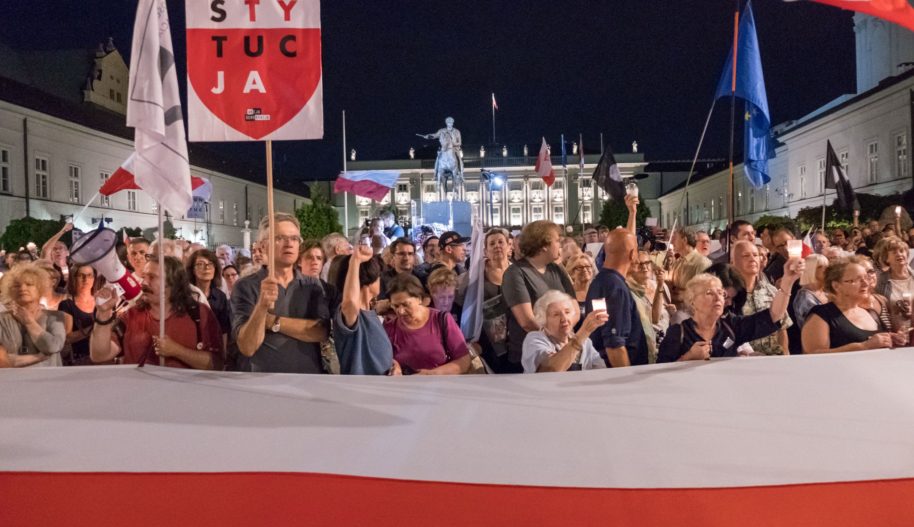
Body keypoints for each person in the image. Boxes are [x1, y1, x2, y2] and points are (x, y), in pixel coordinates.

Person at [232, 214, 331, 373]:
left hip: (308, 379)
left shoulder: (312, 285)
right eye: (280, 238)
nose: (289, 244)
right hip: (262, 382)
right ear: (263, 246)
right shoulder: (245, 286)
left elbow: (320, 331)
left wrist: (272, 321)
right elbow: (247, 347)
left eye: (294, 238)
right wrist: (262, 307)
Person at [90, 255, 223, 369]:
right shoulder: (131, 315)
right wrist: (103, 313)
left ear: (173, 282)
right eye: (144, 276)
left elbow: (216, 364)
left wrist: (177, 351)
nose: (144, 282)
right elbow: (99, 355)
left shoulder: (199, 314)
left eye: (152, 277)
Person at [658, 266, 800, 362]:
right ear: (692, 301)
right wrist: (688, 358)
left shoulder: (731, 325)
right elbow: (659, 372)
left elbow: (773, 316)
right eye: (709, 293)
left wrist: (787, 282)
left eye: (721, 293)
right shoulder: (678, 333)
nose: (718, 297)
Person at [502, 220, 576, 372]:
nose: (560, 245)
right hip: (531, 356)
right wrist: (556, 340)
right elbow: (527, 321)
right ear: (543, 245)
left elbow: (573, 308)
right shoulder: (515, 273)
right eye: (557, 240)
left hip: (564, 349)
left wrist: (564, 340)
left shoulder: (557, 270)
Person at [802, 259, 898, 354]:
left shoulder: (870, 312)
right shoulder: (822, 315)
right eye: (856, 280)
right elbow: (814, 355)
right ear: (836, 286)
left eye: (866, 278)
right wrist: (864, 346)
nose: (865, 283)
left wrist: (892, 340)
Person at [384, 274, 471, 374]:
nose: (401, 311)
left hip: (441, 385)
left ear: (420, 299)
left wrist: (431, 374)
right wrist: (395, 367)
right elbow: (387, 359)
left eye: (406, 304)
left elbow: (464, 360)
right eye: (395, 306)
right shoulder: (389, 328)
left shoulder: (441, 320)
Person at [587, 227, 648, 367]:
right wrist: (627, 382)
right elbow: (614, 344)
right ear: (633, 254)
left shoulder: (599, 282)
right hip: (621, 375)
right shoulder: (616, 287)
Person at [333, 244, 393, 375]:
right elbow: (349, 302)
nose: (381, 281)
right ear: (369, 279)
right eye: (379, 277)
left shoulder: (371, 313)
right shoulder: (350, 314)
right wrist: (355, 260)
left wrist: (395, 366)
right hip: (360, 390)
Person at [521, 290, 609, 373]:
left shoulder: (585, 343)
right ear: (544, 320)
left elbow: (601, 371)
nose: (564, 319)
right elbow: (551, 369)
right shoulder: (534, 339)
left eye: (567, 312)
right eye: (556, 314)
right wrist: (584, 332)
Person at [730, 240, 792, 355]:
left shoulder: (772, 291)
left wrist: (785, 354)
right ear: (732, 262)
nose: (752, 259)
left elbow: (782, 327)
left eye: (755, 255)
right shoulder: (729, 296)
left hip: (774, 358)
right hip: (745, 362)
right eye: (745, 255)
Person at [0, 263, 66, 367]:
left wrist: (29, 322)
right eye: (16, 285)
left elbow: (53, 346)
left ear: (40, 289)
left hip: (49, 380)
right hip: (13, 381)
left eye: (29, 284)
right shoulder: (2, 320)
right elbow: (2, 361)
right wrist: (39, 357)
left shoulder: (55, 317)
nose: (22, 288)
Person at [627, 251, 669, 363]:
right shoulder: (631, 292)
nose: (645, 267)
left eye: (647, 263)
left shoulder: (661, 285)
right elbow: (654, 318)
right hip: (648, 343)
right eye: (640, 264)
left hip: (666, 340)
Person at [186, 249, 232, 350]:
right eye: (200, 264)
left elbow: (223, 330)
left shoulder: (221, 297)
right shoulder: (184, 295)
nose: (206, 268)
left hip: (213, 348)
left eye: (210, 264)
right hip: (189, 347)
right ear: (192, 269)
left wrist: (222, 355)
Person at [58, 263, 100, 365]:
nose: (86, 279)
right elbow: (67, 338)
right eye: (81, 275)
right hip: (79, 359)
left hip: (102, 356)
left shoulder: (102, 302)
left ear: (94, 278)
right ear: (73, 279)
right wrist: (96, 327)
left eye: (89, 275)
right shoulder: (66, 305)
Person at [873, 237, 914, 333]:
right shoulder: (880, 281)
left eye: (901, 251)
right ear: (886, 258)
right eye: (894, 252)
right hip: (895, 334)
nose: (899, 254)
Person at [668, 228, 711, 308]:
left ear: (684, 240)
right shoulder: (678, 262)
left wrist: (684, 295)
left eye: (675, 238)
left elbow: (704, 292)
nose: (672, 242)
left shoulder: (702, 263)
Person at [793, 254, 829, 329]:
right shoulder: (804, 297)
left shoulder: (827, 291)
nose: (826, 269)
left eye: (827, 266)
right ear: (811, 270)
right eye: (820, 267)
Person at [565, 253, 595, 328]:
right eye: (579, 267)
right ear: (571, 273)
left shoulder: (598, 291)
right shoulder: (566, 294)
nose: (585, 269)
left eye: (588, 266)